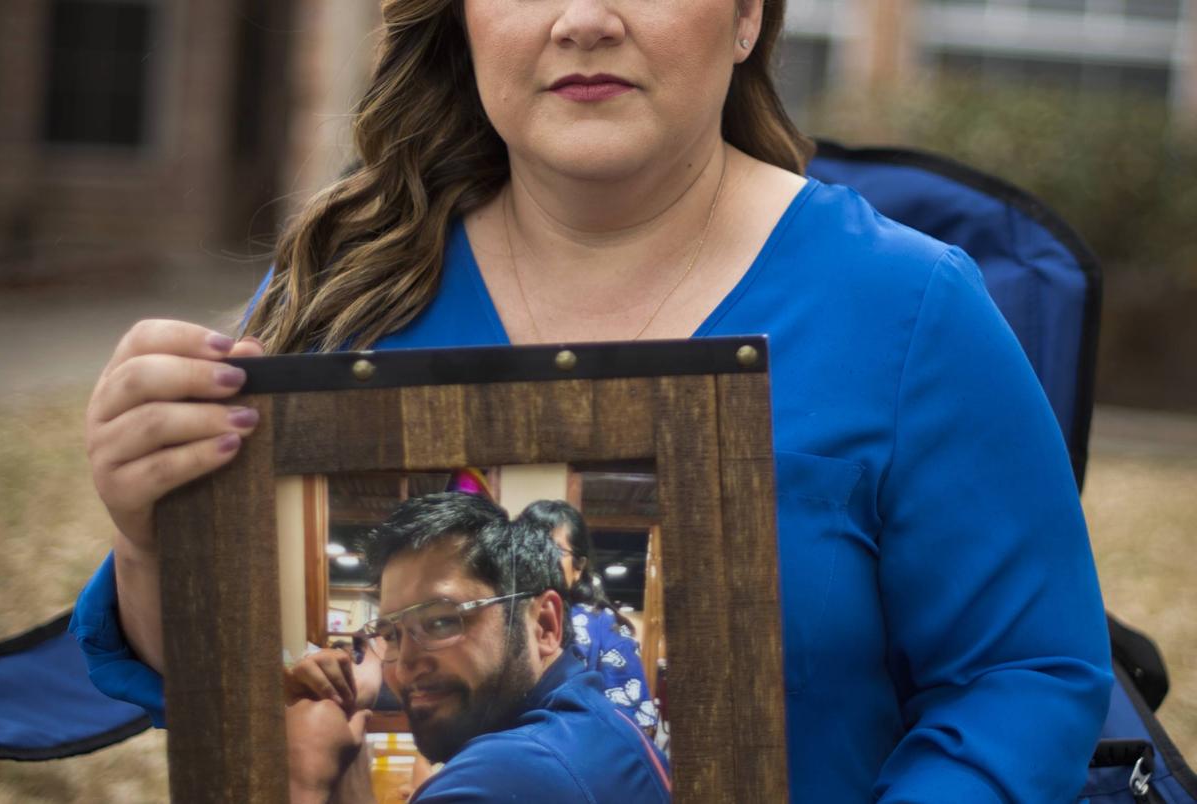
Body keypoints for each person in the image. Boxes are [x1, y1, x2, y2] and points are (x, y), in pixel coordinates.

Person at [71, 0, 1114, 799]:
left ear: (750, 14)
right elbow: (215, 689)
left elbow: (1022, 679)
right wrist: (152, 540)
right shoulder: (340, 293)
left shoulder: (911, 311)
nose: (583, 19)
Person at [283, 492, 672, 803]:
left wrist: (303, 783)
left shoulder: (505, 776)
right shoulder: (600, 722)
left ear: (544, 624)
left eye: (441, 620)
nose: (405, 669)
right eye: (392, 634)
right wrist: (343, 749)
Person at [519, 499, 658, 733]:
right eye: (528, 547)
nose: (539, 557)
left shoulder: (605, 626)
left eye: (553, 549)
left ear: (578, 566)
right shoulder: (500, 615)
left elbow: (636, 726)